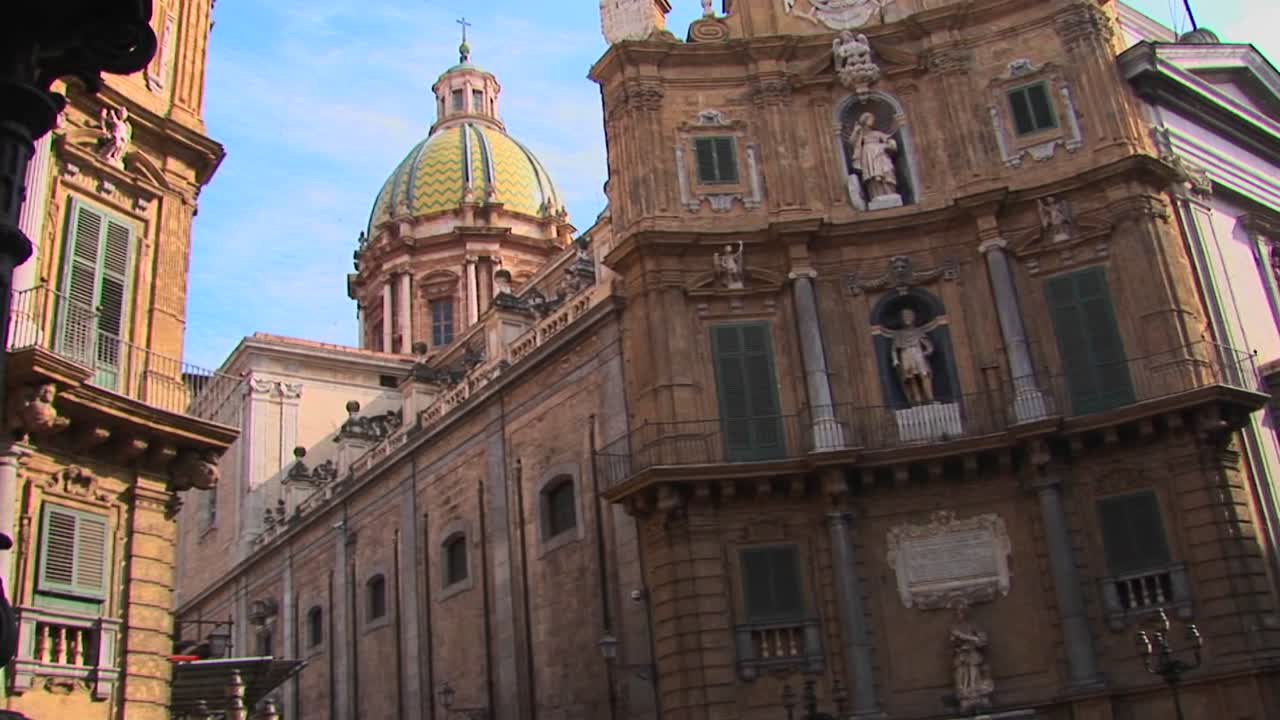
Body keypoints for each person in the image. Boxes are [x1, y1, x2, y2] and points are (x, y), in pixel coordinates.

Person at [887, 307, 934, 405]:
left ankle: (930, 399)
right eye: (904, 316)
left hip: (918, 354)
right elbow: (894, 349)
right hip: (905, 355)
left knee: (924, 376)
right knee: (911, 379)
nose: (906, 318)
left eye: (909, 315)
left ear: (913, 317)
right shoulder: (898, 334)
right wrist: (895, 360)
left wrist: (926, 352)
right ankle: (917, 401)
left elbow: (929, 346)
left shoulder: (918, 331)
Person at [847, 111, 898, 201]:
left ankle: (890, 193)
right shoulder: (861, 134)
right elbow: (851, 142)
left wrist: (888, 145)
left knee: (887, 170)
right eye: (870, 119)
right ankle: (876, 195)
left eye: (872, 119)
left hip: (880, 154)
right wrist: (855, 131)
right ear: (865, 120)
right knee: (872, 175)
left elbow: (889, 140)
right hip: (867, 155)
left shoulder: (877, 133)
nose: (872, 121)